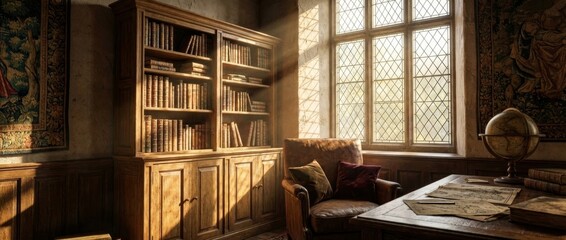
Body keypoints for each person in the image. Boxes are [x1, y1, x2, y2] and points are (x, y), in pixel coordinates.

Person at [511, 1, 566, 99]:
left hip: (552, 39)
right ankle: (550, 86)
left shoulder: (562, 14)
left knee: (562, 49)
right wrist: (534, 30)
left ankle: (557, 85)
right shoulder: (543, 15)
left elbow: (560, 27)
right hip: (542, 40)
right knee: (551, 44)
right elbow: (530, 28)